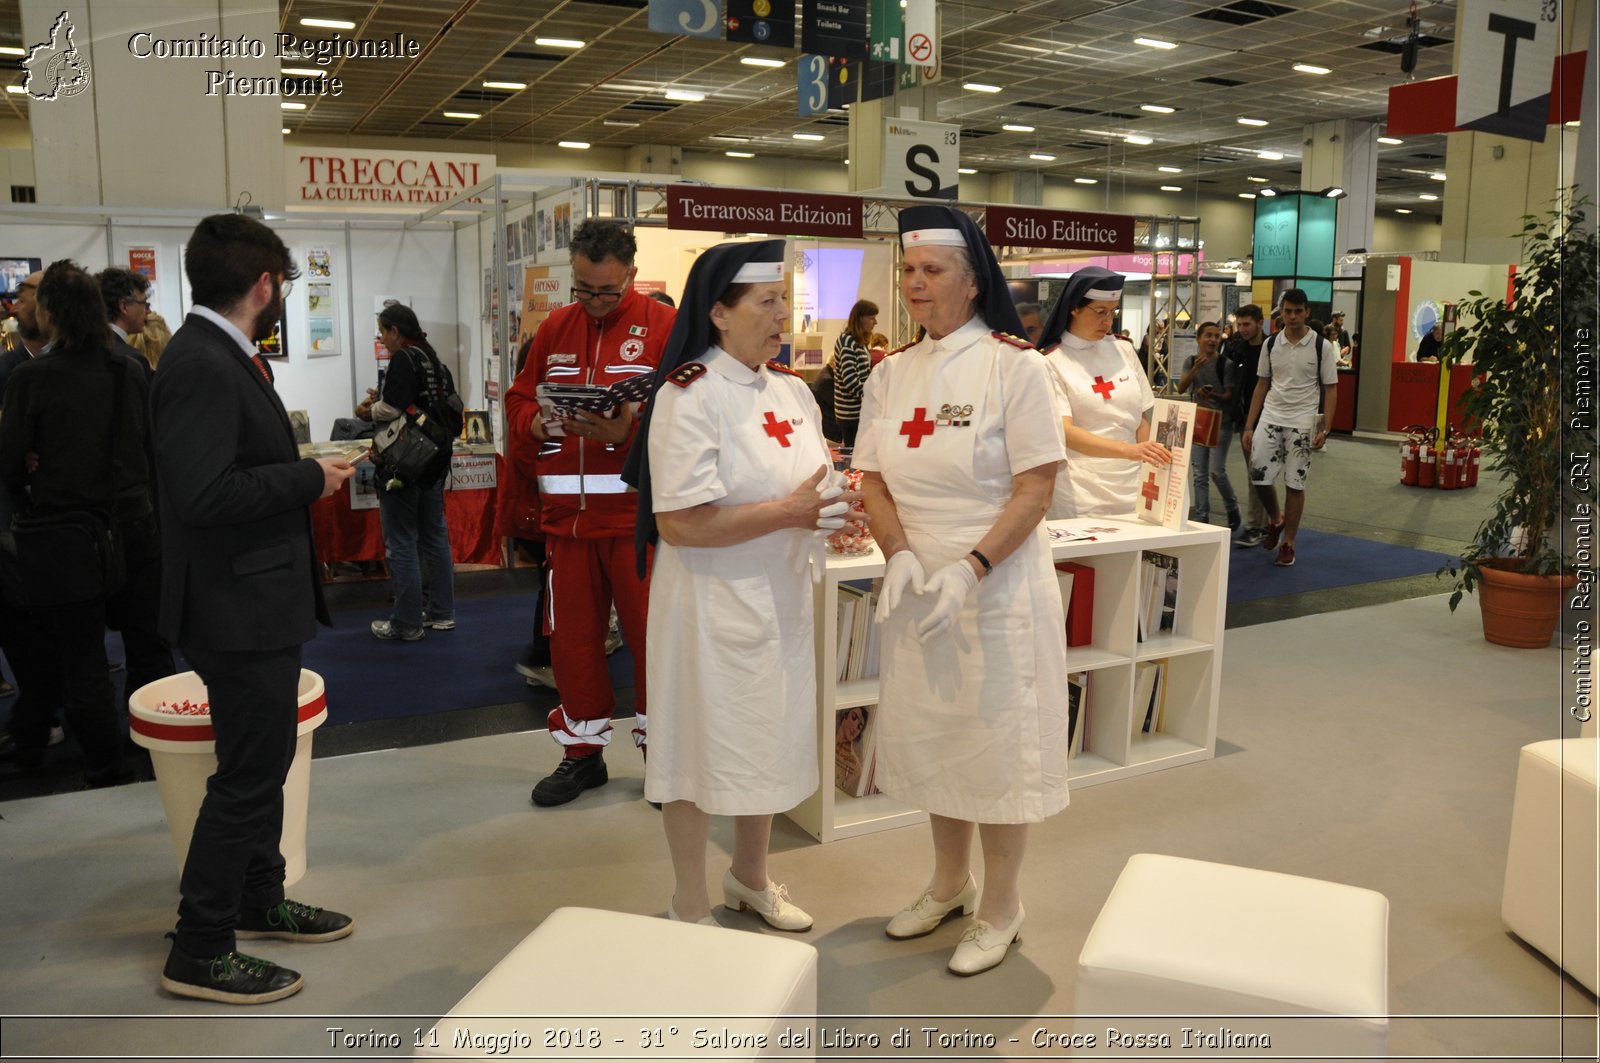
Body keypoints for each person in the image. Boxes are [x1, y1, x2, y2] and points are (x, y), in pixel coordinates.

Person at [149, 213, 356, 1005]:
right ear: (265, 286)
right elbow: (205, 494)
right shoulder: (203, 363)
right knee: (247, 774)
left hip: (251, 597)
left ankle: (258, 897)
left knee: (261, 763)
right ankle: (201, 944)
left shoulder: (213, 355)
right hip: (237, 604)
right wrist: (310, 478)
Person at [857, 204, 1068, 976]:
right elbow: (872, 476)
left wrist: (969, 568)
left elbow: (1035, 488)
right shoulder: (889, 371)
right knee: (939, 738)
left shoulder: (1017, 367)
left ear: (974, 282)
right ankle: (949, 883)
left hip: (997, 587)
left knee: (997, 748)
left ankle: (1003, 907)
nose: (915, 283)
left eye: (932, 270)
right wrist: (901, 555)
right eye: (908, 270)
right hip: (921, 587)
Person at [623, 238, 846, 929]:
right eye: (768, 301)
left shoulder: (789, 391)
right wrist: (792, 512)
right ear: (719, 312)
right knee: (693, 749)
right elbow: (682, 523)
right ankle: (689, 900)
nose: (785, 314)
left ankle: (751, 877)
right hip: (710, 605)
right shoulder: (688, 395)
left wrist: (838, 511)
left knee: (769, 738)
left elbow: (815, 484)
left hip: (780, 599)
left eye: (786, 298)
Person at [505, 219, 675, 807]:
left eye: (606, 289)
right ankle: (582, 756)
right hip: (566, 526)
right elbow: (520, 398)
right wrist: (534, 419)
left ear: (630, 272)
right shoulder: (555, 327)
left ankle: (666, 761)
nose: (595, 301)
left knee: (656, 646)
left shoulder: (665, 328)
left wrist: (630, 428)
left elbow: (694, 413)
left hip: (638, 527)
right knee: (571, 646)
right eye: (583, 288)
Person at [0, 260, 169, 788]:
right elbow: (148, 449)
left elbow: (9, 466)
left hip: (68, 535)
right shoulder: (131, 368)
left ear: (49, 313)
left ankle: (104, 764)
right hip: (134, 525)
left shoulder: (33, 376)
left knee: (83, 659)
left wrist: (33, 461)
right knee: (147, 648)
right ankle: (154, 747)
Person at [1037, 267, 1172, 519]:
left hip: (1132, 484)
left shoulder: (1123, 350)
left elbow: (1140, 419)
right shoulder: (1050, 361)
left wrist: (1147, 458)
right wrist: (1128, 451)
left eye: (1113, 312)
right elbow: (1064, 432)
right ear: (1074, 308)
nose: (1108, 322)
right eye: (1100, 312)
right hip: (1082, 490)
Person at [368, 302, 457, 641]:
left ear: (395, 331)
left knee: (402, 542)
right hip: (433, 459)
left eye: (383, 332)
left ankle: (406, 623)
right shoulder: (433, 358)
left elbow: (391, 407)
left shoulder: (403, 359)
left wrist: (370, 409)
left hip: (404, 462)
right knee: (435, 535)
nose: (382, 340)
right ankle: (442, 613)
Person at [1241, 288, 1339, 568]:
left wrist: (1326, 428)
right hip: (1271, 416)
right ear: (1281, 313)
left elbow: (1330, 389)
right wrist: (1250, 425)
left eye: (1298, 311)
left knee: (1294, 483)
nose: (1292, 316)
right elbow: (1262, 384)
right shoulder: (1271, 344)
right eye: (1287, 311)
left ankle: (1288, 542)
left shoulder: (1321, 346)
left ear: (1307, 312)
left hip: (1302, 421)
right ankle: (1275, 519)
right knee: (1258, 474)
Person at [1177, 321, 1240, 529]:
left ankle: (1232, 509)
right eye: (1208, 336)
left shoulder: (1226, 364)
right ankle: (1202, 515)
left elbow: (1229, 395)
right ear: (1199, 339)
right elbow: (1181, 388)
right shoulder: (1191, 361)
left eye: (1216, 336)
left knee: (1216, 471)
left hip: (1221, 423)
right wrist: (1196, 369)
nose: (1213, 339)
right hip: (1199, 421)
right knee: (1199, 472)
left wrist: (1213, 395)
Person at [1223, 305, 1270, 546]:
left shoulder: (1271, 348)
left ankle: (1260, 525)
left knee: (1262, 474)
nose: (1241, 329)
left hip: (1271, 417)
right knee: (1256, 473)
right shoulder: (1235, 349)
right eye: (1239, 325)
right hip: (1245, 419)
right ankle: (1258, 525)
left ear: (1260, 323)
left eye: (1246, 324)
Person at [831, 298, 877, 447]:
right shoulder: (847, 341)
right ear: (860, 318)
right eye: (871, 318)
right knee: (854, 459)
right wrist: (871, 396)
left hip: (860, 411)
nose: (875, 322)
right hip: (851, 414)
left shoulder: (859, 342)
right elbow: (850, 380)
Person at [98, 267, 156, 377]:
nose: (148, 311)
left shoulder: (84, 350)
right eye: (144, 303)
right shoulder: (132, 360)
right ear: (124, 307)